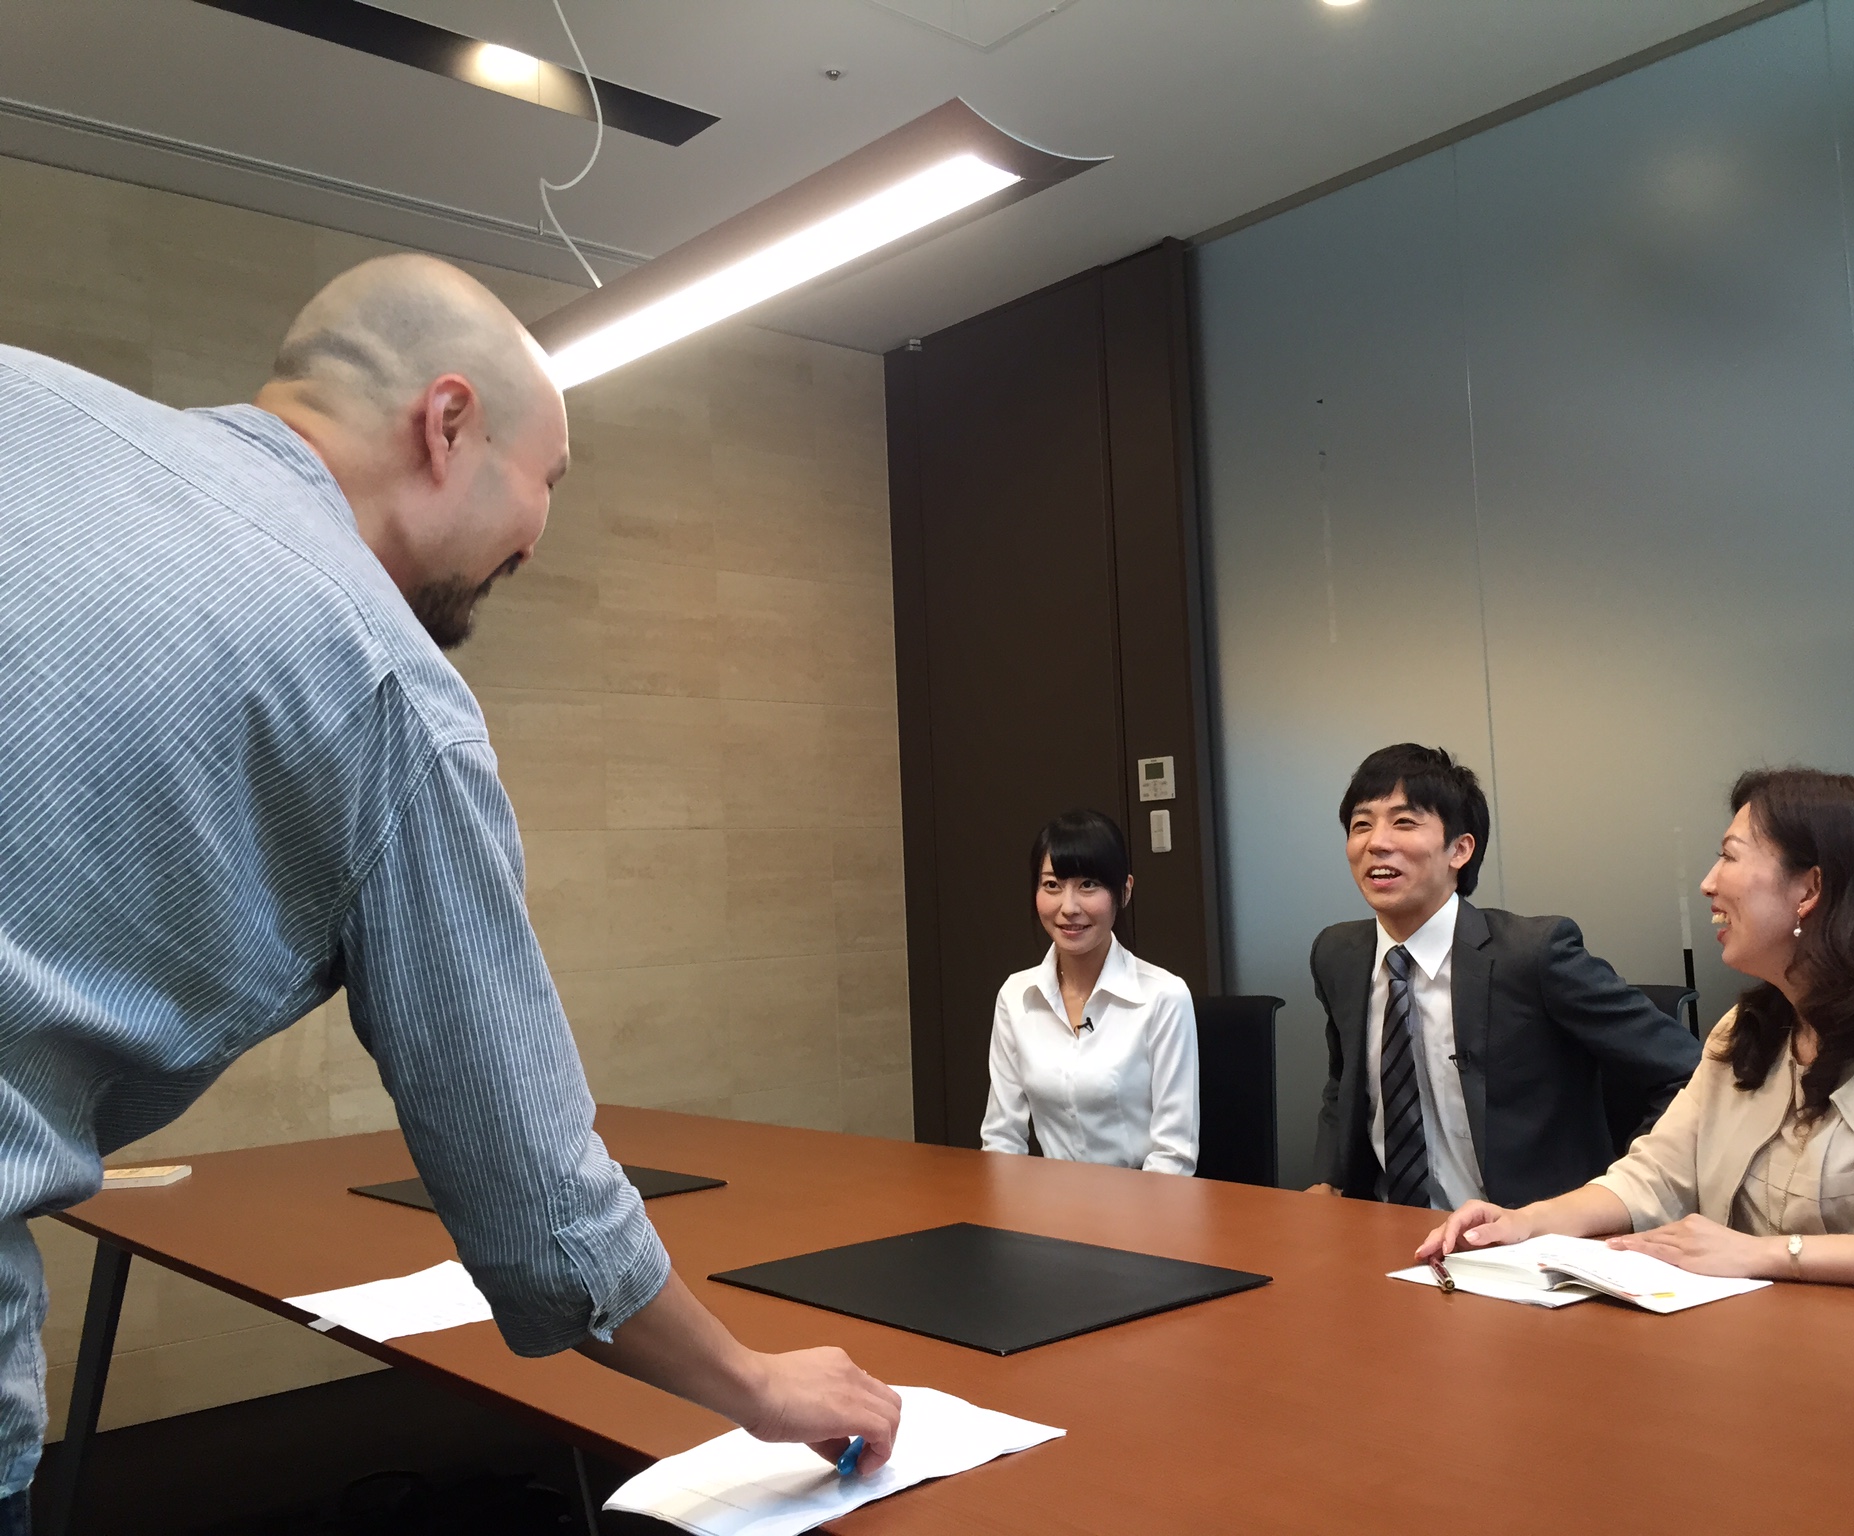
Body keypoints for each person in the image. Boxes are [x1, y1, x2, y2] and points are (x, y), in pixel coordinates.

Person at [0, 254, 898, 1520]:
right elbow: (541, 1209)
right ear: (449, 423)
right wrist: (754, 1383)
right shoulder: (388, 693)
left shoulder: (25, 397)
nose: (538, 534)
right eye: (550, 481)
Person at [1418, 769, 1854, 1300]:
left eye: (1730, 856)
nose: (1708, 883)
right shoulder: (1747, 1034)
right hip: (1748, 1352)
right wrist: (1527, 1222)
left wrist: (1768, 1255)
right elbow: (1655, 1176)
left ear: (1811, 888)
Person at [1306, 744, 1700, 1209]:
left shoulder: (1534, 954)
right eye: (1361, 824)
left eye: (1404, 822)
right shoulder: (1339, 954)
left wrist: (1620, 1190)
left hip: (1526, 1234)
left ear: (1460, 849)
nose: (1376, 842)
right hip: (1384, 1229)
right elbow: (1343, 1081)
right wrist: (1329, 1179)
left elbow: (1689, 1073)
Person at [981, 810, 1199, 1175]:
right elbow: (1002, 1139)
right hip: (1049, 1202)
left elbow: (1174, 1156)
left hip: (1143, 1202)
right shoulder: (1016, 996)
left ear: (1124, 891)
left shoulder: (1164, 997)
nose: (1068, 908)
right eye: (1052, 885)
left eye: (1088, 885)